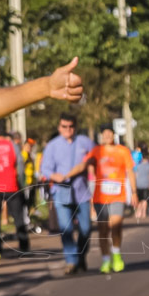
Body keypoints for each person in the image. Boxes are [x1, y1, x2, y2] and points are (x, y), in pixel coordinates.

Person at [51, 125, 137, 273]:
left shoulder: (122, 151)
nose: (107, 136)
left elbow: (130, 171)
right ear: (101, 136)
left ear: (114, 135)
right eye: (105, 134)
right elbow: (83, 165)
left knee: (116, 225)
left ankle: (116, 254)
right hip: (100, 197)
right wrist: (66, 175)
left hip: (118, 195)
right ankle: (105, 260)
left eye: (110, 133)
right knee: (103, 229)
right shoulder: (97, 151)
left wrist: (134, 192)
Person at [39, 113, 95, 274]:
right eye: (64, 126)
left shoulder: (85, 142)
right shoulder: (52, 145)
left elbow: (95, 158)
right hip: (61, 191)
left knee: (86, 229)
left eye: (71, 126)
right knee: (66, 228)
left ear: (75, 127)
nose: (67, 129)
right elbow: (45, 168)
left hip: (82, 192)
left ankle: (81, 256)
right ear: (59, 127)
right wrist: (53, 175)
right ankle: (71, 261)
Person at [0, 121, 29, 259]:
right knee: (18, 217)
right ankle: (24, 247)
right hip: (11, 185)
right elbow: (20, 167)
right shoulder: (13, 146)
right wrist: (22, 184)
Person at [133, 143, 149, 222]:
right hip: (146, 185)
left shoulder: (138, 166)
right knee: (145, 200)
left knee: (139, 199)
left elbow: (135, 175)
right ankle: (143, 213)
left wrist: (134, 184)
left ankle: (138, 212)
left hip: (139, 184)